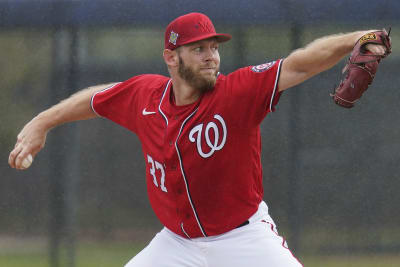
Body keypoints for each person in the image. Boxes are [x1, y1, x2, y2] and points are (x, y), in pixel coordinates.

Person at [9, 12, 387, 267]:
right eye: (198, 49)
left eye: (214, 48)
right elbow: (94, 99)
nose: (211, 57)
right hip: (176, 245)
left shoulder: (237, 93)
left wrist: (358, 37)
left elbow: (302, 61)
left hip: (243, 239)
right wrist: (42, 122)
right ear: (171, 58)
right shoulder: (145, 96)